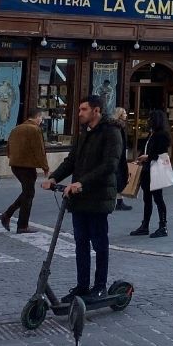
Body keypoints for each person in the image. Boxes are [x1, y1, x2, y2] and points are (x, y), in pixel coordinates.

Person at [42, 95, 124, 299]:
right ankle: (82, 286)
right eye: (79, 109)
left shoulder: (111, 132)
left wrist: (82, 183)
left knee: (99, 244)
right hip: (79, 198)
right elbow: (72, 160)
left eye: (83, 110)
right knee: (80, 243)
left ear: (96, 111)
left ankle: (100, 285)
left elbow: (109, 165)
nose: (79, 113)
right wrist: (54, 177)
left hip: (99, 196)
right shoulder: (83, 133)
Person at [0, 109, 49, 233]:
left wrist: (12, 158)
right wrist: (45, 166)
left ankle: (8, 215)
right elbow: (39, 150)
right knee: (29, 194)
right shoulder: (34, 129)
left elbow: (8, 147)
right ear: (37, 117)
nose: (41, 121)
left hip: (15, 165)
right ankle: (21, 225)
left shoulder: (16, 129)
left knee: (27, 193)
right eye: (41, 118)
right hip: (27, 166)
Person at [129, 110, 171, 239]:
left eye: (151, 118)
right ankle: (145, 225)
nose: (148, 121)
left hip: (156, 170)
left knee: (158, 198)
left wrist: (148, 157)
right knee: (147, 198)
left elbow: (162, 153)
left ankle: (163, 226)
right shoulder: (151, 134)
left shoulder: (162, 135)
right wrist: (139, 159)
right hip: (147, 170)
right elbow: (145, 149)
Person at [112, 108, 133, 211]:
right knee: (120, 178)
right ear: (120, 115)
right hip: (118, 157)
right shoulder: (118, 127)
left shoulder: (118, 126)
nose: (126, 115)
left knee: (119, 178)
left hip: (119, 156)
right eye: (124, 113)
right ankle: (119, 202)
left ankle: (119, 201)